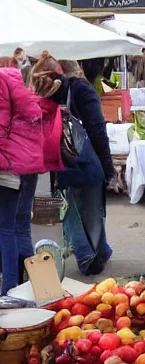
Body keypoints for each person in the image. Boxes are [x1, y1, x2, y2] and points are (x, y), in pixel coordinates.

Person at [30, 53, 114, 275]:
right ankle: (89, 258)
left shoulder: (42, 95)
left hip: (58, 162)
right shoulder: (82, 90)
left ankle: (102, 251)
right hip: (84, 160)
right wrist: (107, 166)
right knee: (88, 210)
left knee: (74, 209)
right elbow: (97, 130)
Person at [0, 57, 49, 294]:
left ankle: (10, 286)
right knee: (21, 226)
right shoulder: (22, 92)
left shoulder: (2, 86)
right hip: (28, 165)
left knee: (6, 228)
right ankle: (37, 285)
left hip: (8, 166)